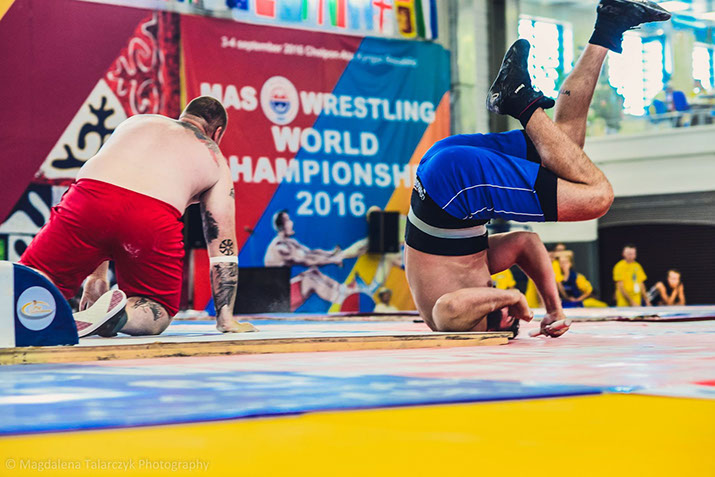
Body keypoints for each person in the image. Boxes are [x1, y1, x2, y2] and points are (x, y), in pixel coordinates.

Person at [404, 0, 670, 337]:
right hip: (444, 173)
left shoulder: (451, 318)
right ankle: (609, 25)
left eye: (511, 322)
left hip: (455, 188)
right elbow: (525, 243)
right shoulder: (468, 269)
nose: (514, 318)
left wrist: (514, 296)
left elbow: (449, 310)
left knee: (597, 198)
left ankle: (519, 99)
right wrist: (554, 307)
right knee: (565, 143)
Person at [19, 96, 256, 337]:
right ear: (217, 133)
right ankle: (120, 316)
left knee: (38, 275)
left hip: (86, 198)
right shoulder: (214, 157)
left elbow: (110, 194)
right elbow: (222, 249)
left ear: (183, 116)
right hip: (150, 217)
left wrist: (97, 277)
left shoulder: (136, 123)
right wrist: (226, 319)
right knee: (157, 309)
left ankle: (19, 303)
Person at [264, 209, 367, 310]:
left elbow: (311, 253)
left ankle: (344, 290)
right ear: (282, 226)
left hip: (285, 292)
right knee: (310, 280)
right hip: (279, 299)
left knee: (313, 271)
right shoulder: (280, 247)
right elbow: (307, 260)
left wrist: (331, 253)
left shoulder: (290, 242)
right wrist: (333, 260)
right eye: (288, 220)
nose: (292, 222)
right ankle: (343, 300)